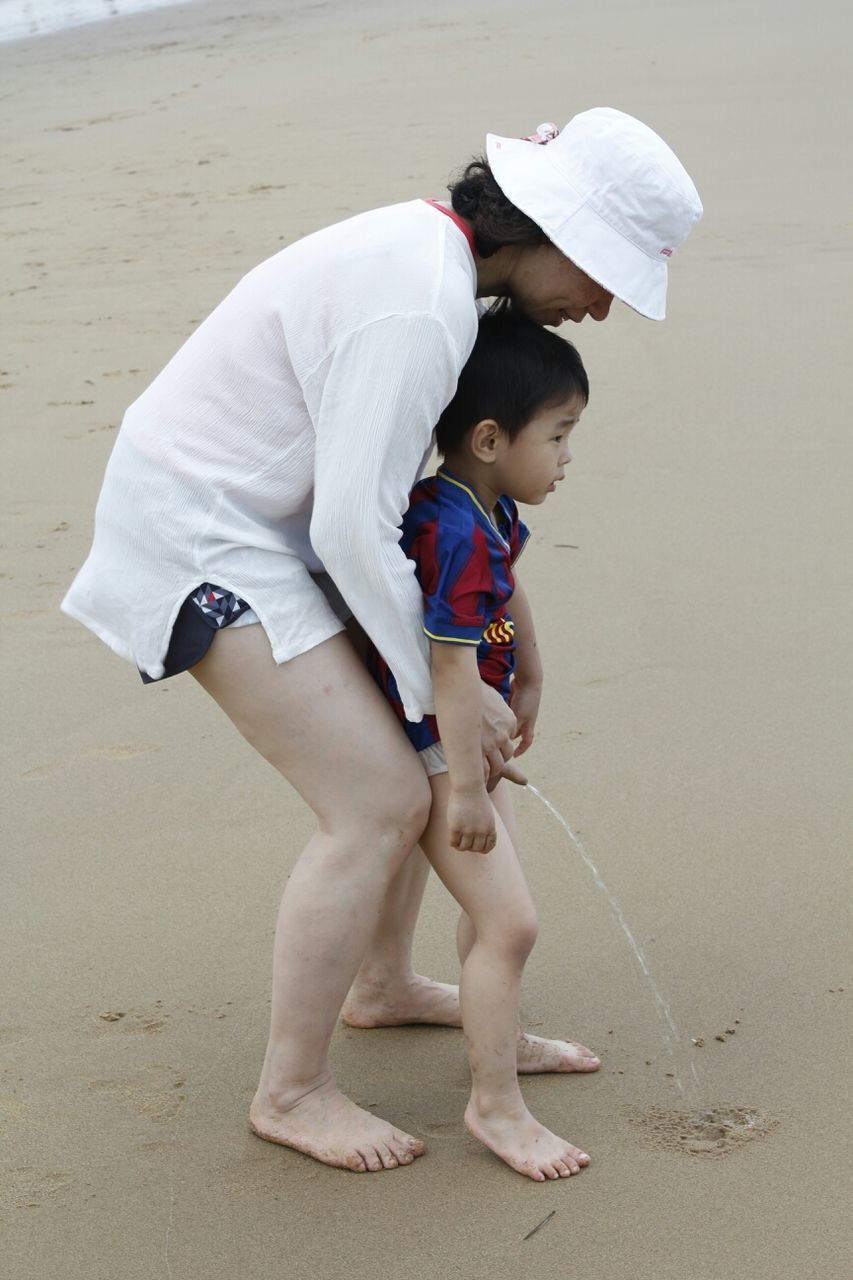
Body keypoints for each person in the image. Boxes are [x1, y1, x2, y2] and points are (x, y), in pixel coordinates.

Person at [61, 107, 702, 1173]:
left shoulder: (433, 263)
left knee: (403, 766)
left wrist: (449, 691)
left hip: (265, 524)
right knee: (378, 796)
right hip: (202, 534)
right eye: (604, 276)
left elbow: (368, 513)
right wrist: (444, 694)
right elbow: (349, 526)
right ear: (549, 228)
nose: (598, 307)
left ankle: (385, 984)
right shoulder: (420, 302)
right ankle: (293, 1088)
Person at [370, 309, 592, 1180]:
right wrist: (462, 786)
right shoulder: (453, 527)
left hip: (461, 740)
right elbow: (448, 666)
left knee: (481, 909)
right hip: (439, 743)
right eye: (559, 435)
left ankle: (492, 1036)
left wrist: (529, 674)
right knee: (510, 921)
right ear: (492, 436)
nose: (568, 456)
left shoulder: (478, 505)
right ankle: (494, 1105)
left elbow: (507, 587)